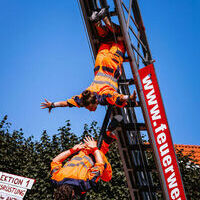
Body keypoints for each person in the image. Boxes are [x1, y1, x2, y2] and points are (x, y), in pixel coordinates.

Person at [41, 7, 138, 112]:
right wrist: (53, 104)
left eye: (90, 108)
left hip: (111, 64)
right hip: (99, 62)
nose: (91, 110)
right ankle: (96, 22)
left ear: (95, 102)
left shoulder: (102, 97)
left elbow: (116, 97)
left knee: (120, 37)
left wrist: (129, 98)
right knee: (105, 39)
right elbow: (67, 103)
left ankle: (104, 18)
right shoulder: (84, 97)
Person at [51, 116, 122, 200]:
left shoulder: (84, 184)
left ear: (72, 194)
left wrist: (95, 148)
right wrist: (72, 150)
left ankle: (110, 134)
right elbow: (55, 161)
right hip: (82, 151)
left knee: (107, 177)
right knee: (102, 148)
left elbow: (100, 165)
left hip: (94, 156)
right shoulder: (56, 179)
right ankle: (109, 135)